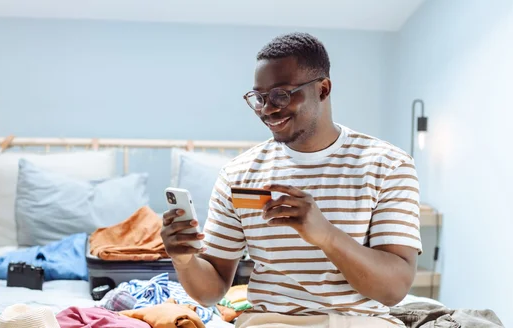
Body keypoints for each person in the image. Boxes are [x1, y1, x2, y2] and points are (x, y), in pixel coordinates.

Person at [161, 32, 422, 328]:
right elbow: (212, 292)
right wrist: (184, 261)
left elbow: (394, 290)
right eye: (259, 98)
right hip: (269, 323)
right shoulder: (238, 174)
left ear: (323, 89)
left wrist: (325, 235)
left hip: (358, 323)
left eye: (281, 94)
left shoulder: (388, 164)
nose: (267, 109)